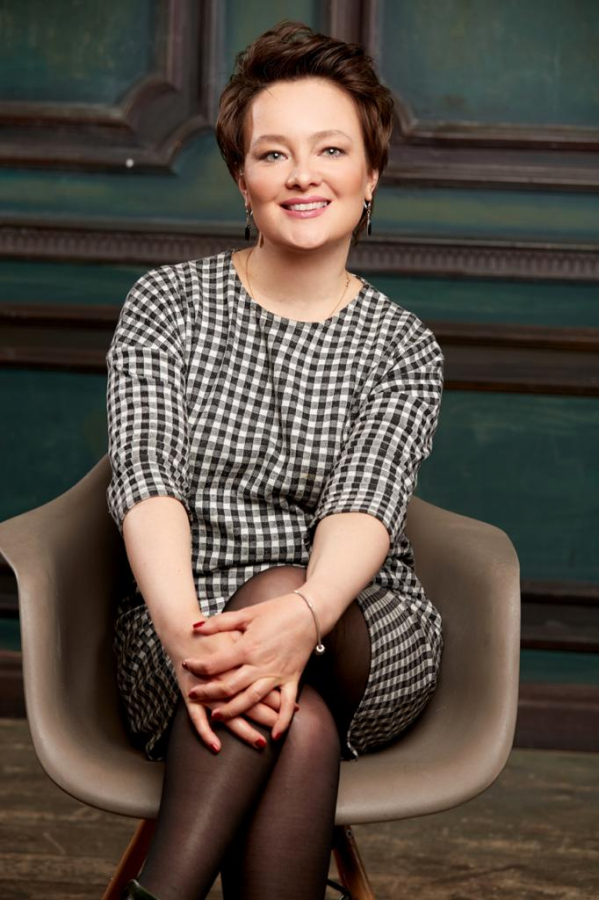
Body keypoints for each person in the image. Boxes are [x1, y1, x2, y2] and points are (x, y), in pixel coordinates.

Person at [106, 19, 445, 900]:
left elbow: (365, 502)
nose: (302, 175)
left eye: (331, 150)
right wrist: (184, 637)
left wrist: (305, 611)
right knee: (297, 727)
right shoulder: (167, 304)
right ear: (241, 177)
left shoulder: (402, 344)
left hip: (359, 622)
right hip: (185, 623)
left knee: (280, 600)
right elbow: (145, 477)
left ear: (369, 176)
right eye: (273, 154)